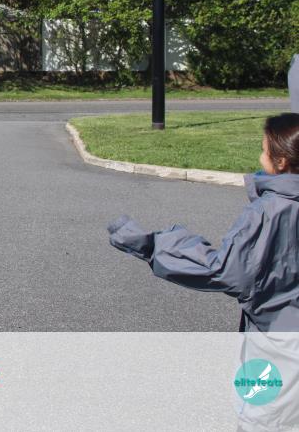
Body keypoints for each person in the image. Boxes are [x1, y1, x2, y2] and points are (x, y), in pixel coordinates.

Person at [108, 112, 299, 332]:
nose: (260, 156)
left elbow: (226, 271)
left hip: (276, 337)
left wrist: (151, 245)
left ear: (281, 162)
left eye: (263, 150)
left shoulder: (268, 211)